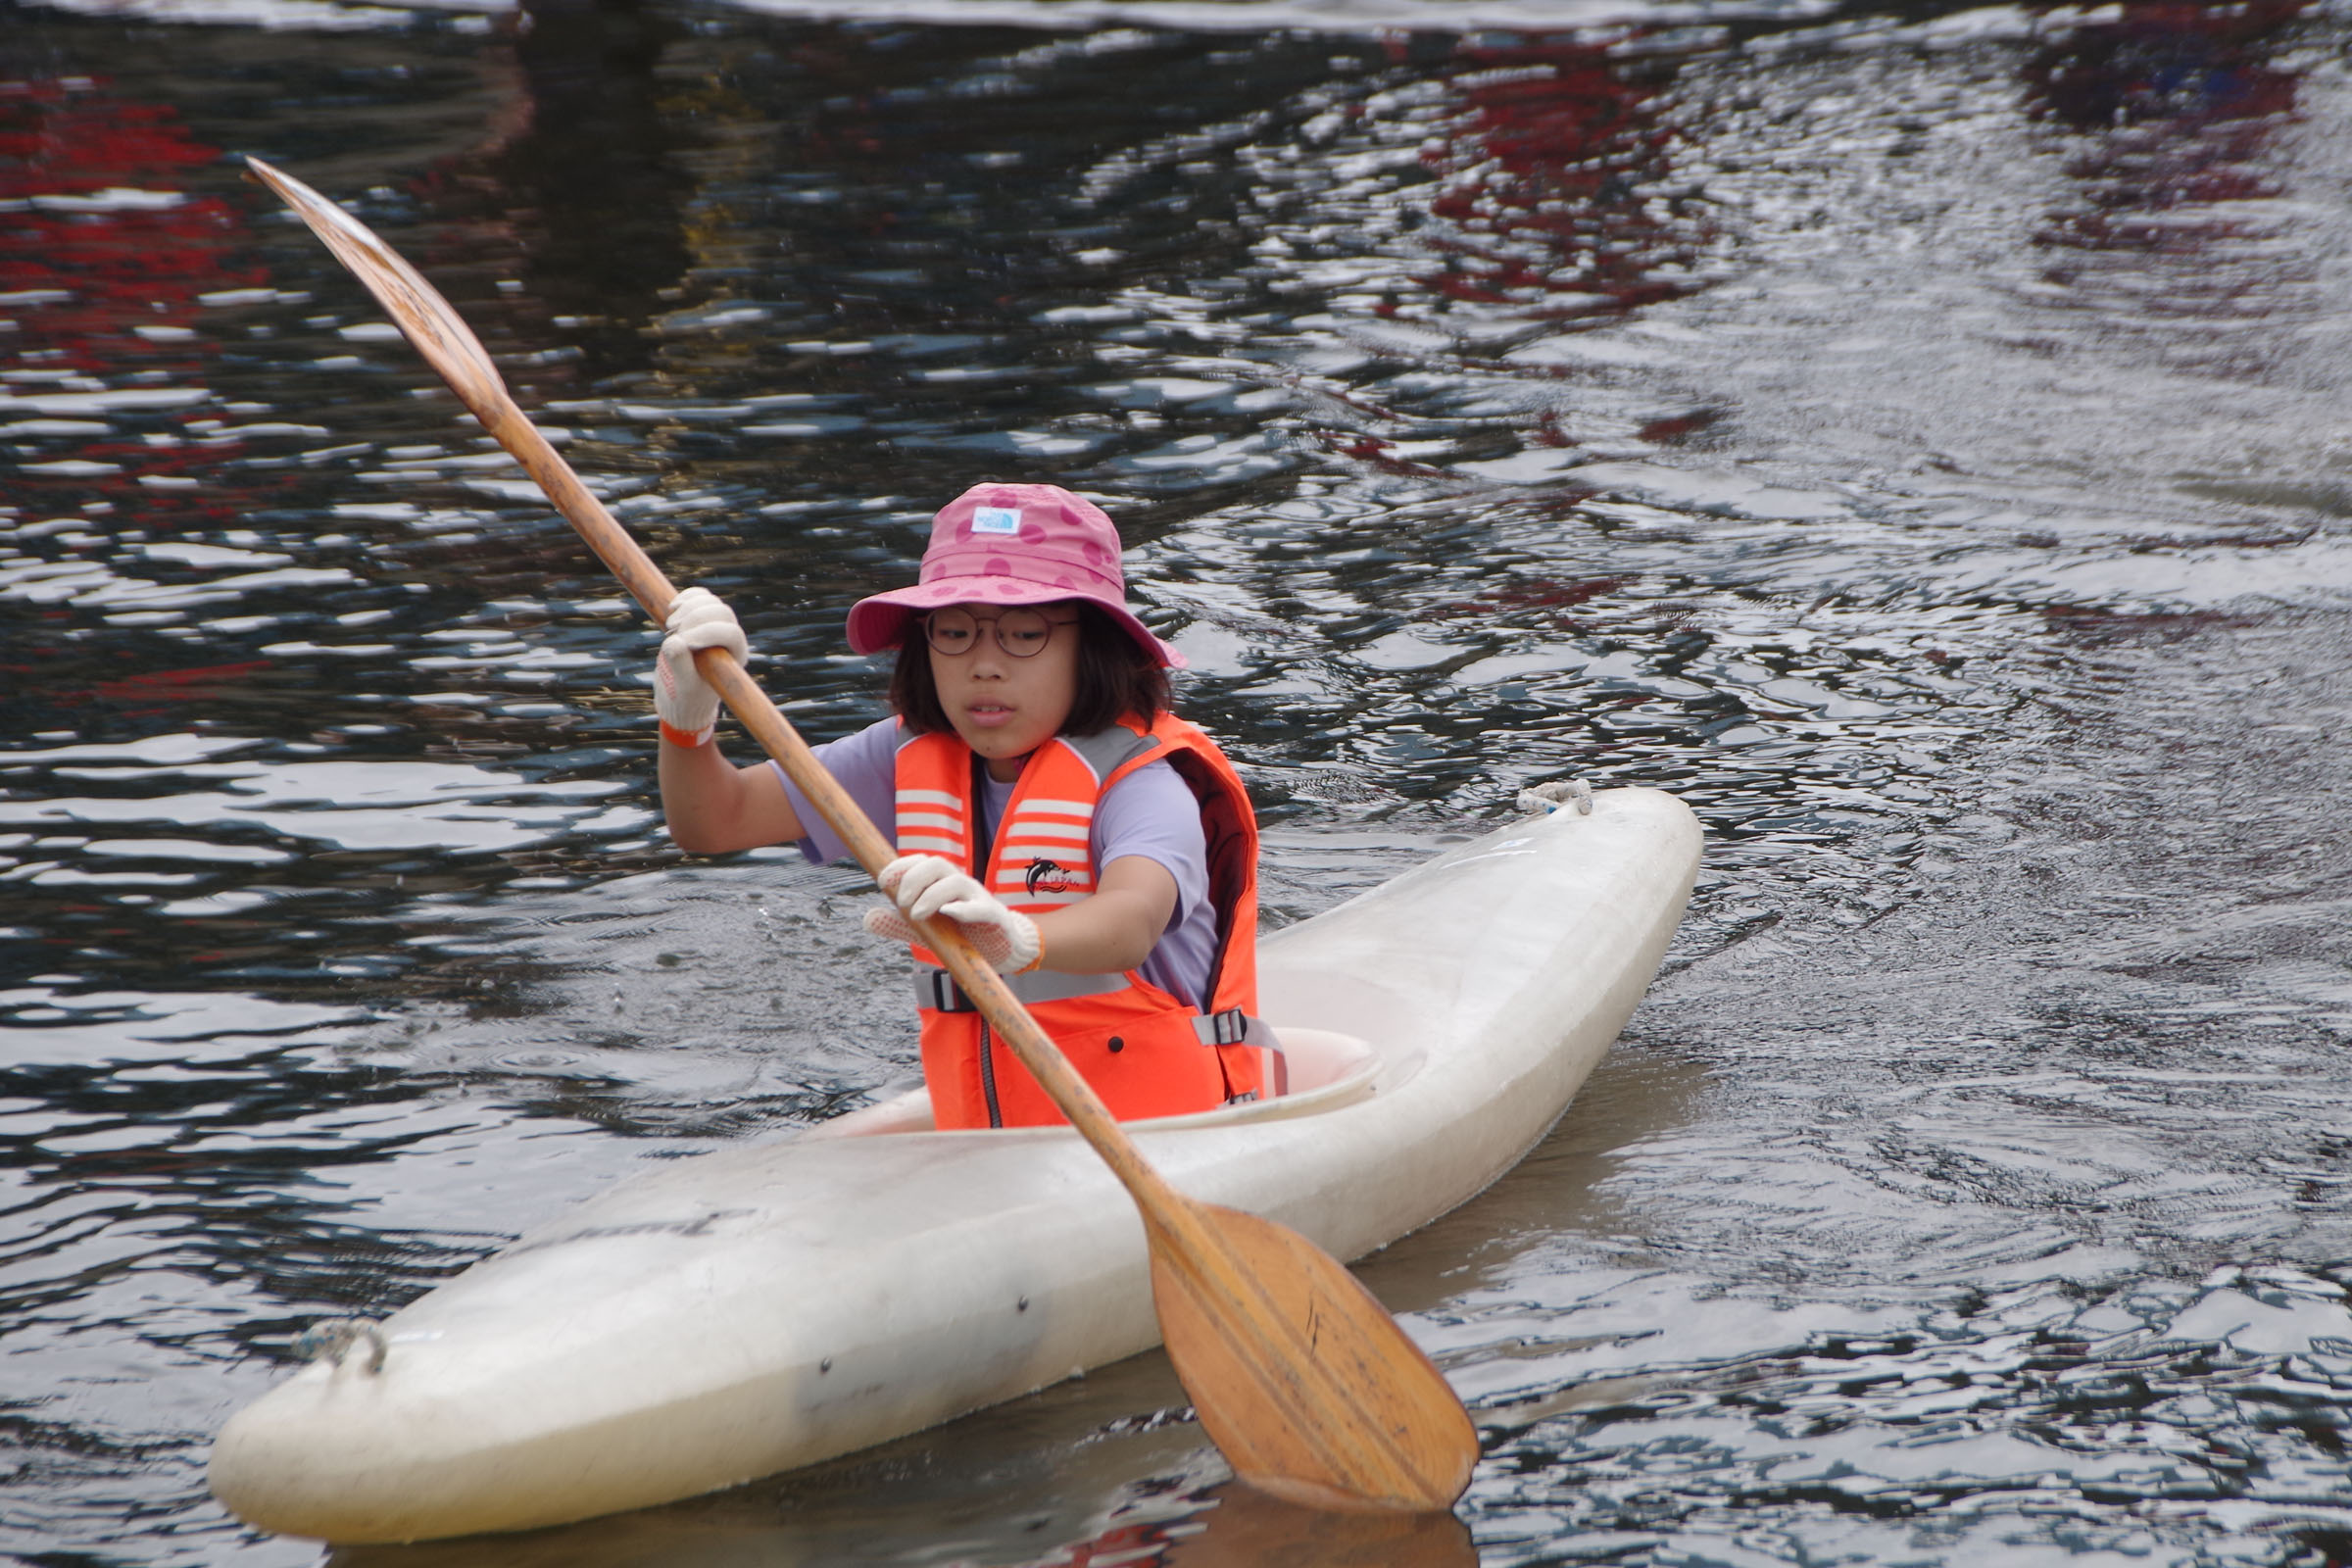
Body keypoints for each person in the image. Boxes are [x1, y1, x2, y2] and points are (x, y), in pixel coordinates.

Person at [651, 482, 1270, 1130]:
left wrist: (1020, 937)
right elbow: (712, 821)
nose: (983, 666)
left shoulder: (1143, 781)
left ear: (1092, 648)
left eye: (1024, 633)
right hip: (990, 1141)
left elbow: (1130, 922)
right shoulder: (904, 756)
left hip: (1166, 1132)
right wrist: (687, 719)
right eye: (954, 631)